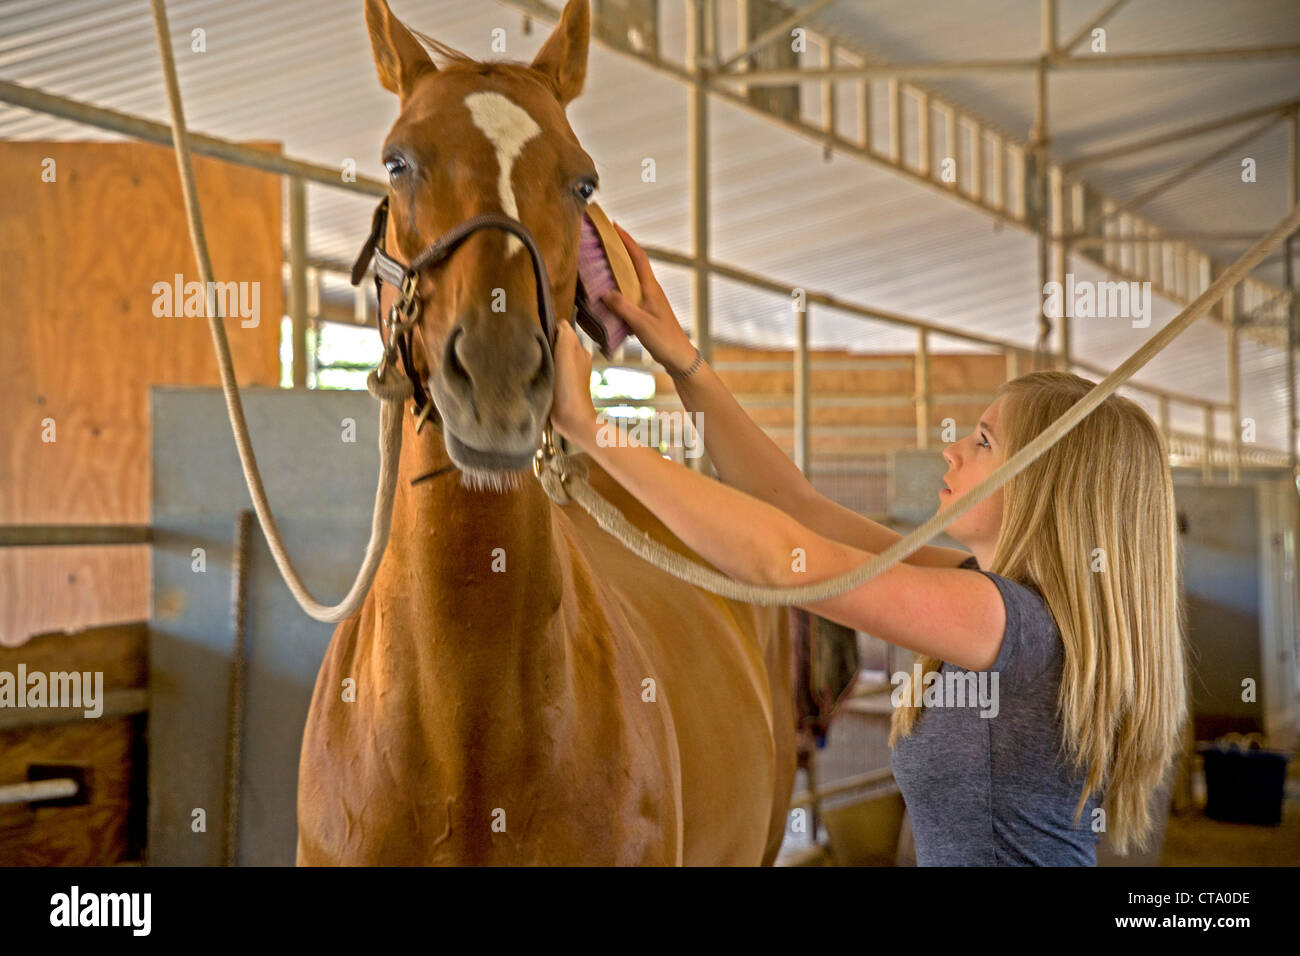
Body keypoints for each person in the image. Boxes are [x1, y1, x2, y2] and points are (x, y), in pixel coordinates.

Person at [548, 222, 1188, 866]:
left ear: (1043, 489)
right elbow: (797, 507)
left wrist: (591, 428)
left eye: (984, 442)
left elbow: (783, 562)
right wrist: (681, 358)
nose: (953, 449)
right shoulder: (1006, 601)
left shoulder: (1003, 621)